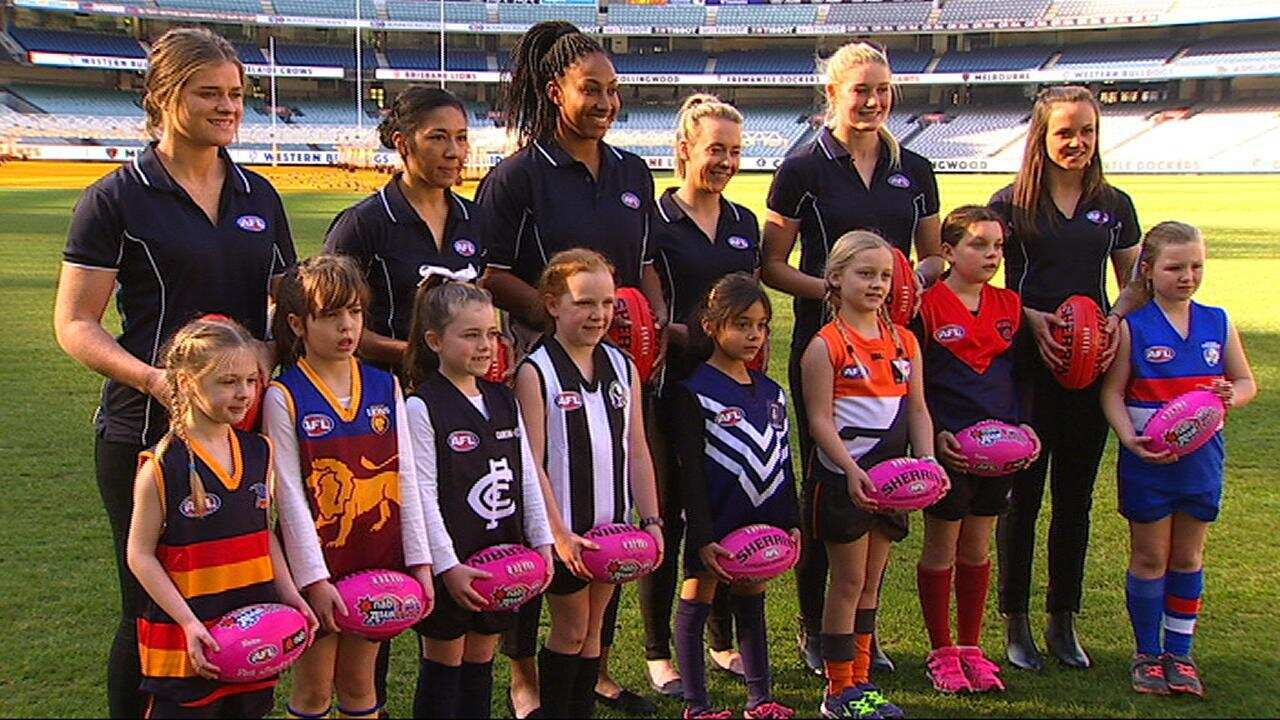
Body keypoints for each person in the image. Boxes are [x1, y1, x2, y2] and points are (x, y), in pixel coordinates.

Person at [53, 27, 297, 718]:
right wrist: (161, 383)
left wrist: (262, 371)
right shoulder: (115, 198)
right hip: (146, 432)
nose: (228, 107)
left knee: (241, 596)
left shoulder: (260, 194)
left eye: (237, 95)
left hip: (239, 436)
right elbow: (75, 323)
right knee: (151, 613)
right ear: (163, 96)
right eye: (209, 93)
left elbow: (282, 307)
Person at [478, 21, 664, 716]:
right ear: (556, 91)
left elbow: (644, 265)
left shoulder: (632, 172)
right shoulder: (516, 177)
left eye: (615, 90)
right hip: (540, 366)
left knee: (608, 510)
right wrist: (564, 320)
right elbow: (492, 274)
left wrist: (653, 327)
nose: (607, 102)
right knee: (544, 522)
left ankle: (596, 667)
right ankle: (527, 674)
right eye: (593, 89)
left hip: (615, 366)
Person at [761, 41, 942, 674]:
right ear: (832, 94)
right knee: (832, 487)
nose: (873, 101)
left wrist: (904, 283)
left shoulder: (915, 168)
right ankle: (818, 626)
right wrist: (837, 292)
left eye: (883, 89)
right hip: (828, 350)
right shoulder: (803, 167)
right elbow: (772, 265)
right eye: (860, 89)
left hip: (893, 352)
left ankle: (862, 633)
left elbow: (933, 255)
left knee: (889, 485)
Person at [989, 85, 1143, 671]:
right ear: (1041, 137)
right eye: (1064, 132)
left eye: (1087, 131)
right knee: (1021, 496)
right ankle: (1016, 621)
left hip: (1089, 366)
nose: (1077, 143)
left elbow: (1133, 279)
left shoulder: (1115, 203)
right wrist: (1031, 318)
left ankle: (1063, 617)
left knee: (1075, 497)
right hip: (1027, 364)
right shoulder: (1010, 204)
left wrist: (1110, 322)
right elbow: (986, 281)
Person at [263, 256, 434, 720]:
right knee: (315, 689)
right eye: (331, 315)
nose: (346, 326)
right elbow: (290, 497)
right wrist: (314, 581)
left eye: (355, 312)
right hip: (319, 566)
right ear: (297, 323)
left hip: (377, 560)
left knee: (361, 683)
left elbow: (406, 477)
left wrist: (419, 560)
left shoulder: (384, 386)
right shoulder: (283, 395)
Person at [127, 316, 316, 719]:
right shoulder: (162, 466)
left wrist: (290, 595)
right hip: (189, 645)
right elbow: (139, 556)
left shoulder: (259, 451)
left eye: (250, 380)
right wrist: (189, 623)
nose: (244, 393)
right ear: (185, 383)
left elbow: (261, 535)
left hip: (254, 630)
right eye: (228, 382)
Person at [1099, 221, 1256, 697]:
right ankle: (1147, 653)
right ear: (1147, 270)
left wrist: (1232, 396)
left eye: (1196, 266)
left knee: (1188, 557)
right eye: (1174, 267)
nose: (1187, 276)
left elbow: (1247, 383)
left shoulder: (1218, 321)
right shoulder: (1133, 327)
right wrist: (1129, 438)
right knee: (1150, 557)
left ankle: (1180, 654)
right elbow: (1112, 392)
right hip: (1150, 461)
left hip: (1201, 459)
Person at [643, 93, 763, 695]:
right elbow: (651, 303)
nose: (726, 161)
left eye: (735, 151)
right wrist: (673, 328)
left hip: (732, 394)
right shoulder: (654, 221)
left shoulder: (744, 223)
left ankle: (718, 641)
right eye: (716, 149)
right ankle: (658, 651)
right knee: (669, 513)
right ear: (685, 149)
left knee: (723, 510)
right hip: (673, 390)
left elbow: (753, 306)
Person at [513, 249, 664, 718]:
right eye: (583, 303)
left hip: (613, 529)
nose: (597, 315)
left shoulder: (622, 366)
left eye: (606, 303)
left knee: (594, 631)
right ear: (553, 304)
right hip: (569, 532)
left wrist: (653, 519)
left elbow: (636, 447)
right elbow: (532, 463)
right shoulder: (535, 371)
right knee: (571, 630)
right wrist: (557, 534)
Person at [401, 274, 555, 718]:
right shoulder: (422, 406)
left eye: (491, 333)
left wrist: (542, 544)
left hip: (499, 559)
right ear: (434, 340)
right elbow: (422, 497)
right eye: (470, 335)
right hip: (455, 567)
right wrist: (447, 568)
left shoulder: (503, 399)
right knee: (444, 667)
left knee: (481, 664)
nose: (486, 345)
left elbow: (527, 475)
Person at [801, 231, 937, 720]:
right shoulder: (826, 345)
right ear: (836, 278)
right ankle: (837, 691)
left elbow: (918, 409)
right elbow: (819, 422)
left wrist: (926, 463)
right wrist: (855, 471)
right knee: (848, 580)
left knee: (872, 584)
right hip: (846, 484)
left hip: (892, 486)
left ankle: (861, 682)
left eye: (885, 276)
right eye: (865, 274)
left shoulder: (904, 340)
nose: (877, 284)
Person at [910, 206, 1041, 694]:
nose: (991, 254)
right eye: (978, 245)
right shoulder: (927, 306)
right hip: (951, 450)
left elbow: (1023, 377)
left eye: (998, 246)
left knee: (977, 547)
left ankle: (970, 647)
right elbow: (915, 386)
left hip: (1000, 450)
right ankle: (941, 650)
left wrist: (1025, 427)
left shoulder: (1010, 305)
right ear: (947, 251)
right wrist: (938, 435)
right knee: (941, 547)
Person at [666, 273, 800, 719]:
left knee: (752, 603)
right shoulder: (693, 392)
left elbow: (783, 462)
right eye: (742, 324)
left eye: (761, 325)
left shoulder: (772, 391)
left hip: (760, 522)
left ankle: (760, 698)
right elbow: (689, 475)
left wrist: (792, 522)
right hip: (715, 523)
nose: (754, 335)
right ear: (710, 324)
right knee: (697, 598)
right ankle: (696, 704)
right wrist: (702, 535)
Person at [324, 86, 487, 369]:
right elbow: (327, 320)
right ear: (403, 144)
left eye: (461, 138)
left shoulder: (475, 219)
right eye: (438, 137)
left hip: (454, 391)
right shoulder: (363, 224)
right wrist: (414, 352)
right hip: (383, 391)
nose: (454, 152)